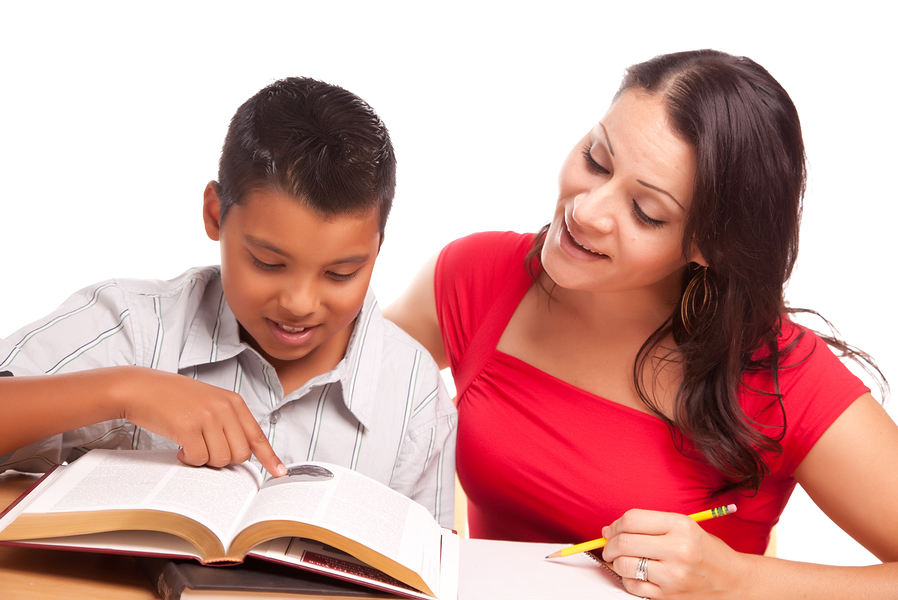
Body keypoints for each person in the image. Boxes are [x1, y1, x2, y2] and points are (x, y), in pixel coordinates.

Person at [385, 49, 898, 597]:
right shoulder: (474, 277)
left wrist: (737, 581)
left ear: (708, 245)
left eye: (646, 212)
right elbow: (334, 389)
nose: (586, 212)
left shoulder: (780, 377)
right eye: (597, 159)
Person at [0, 77, 456, 528]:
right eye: (267, 263)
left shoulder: (415, 397)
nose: (299, 303)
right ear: (216, 214)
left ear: (377, 249)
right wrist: (126, 391)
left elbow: (426, 567)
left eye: (341, 274)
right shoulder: (133, 327)